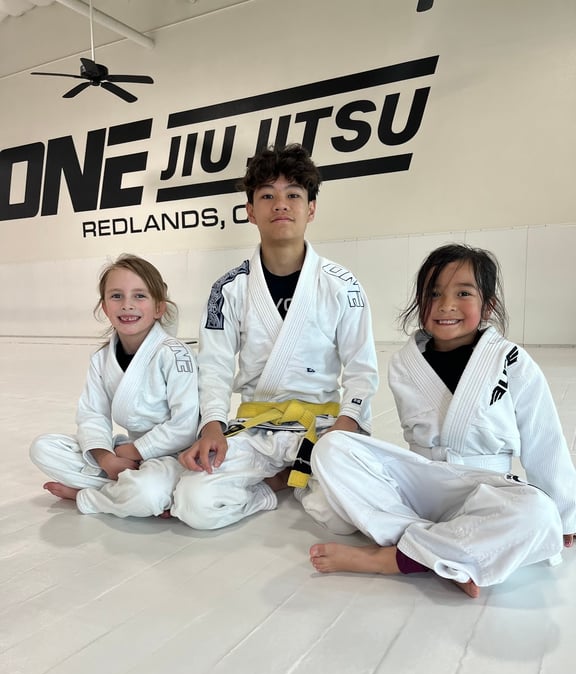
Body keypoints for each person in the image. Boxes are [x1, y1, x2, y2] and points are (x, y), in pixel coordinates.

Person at [309, 243, 575, 597]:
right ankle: (448, 551)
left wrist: (564, 512)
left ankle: (395, 557)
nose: (446, 305)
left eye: (463, 293)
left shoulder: (511, 361)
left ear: (488, 305)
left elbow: (544, 438)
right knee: (331, 448)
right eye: (434, 294)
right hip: (424, 480)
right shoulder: (404, 363)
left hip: (484, 488)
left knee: (538, 513)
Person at [172, 144, 378, 530]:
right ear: (250, 211)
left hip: (320, 427)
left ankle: (295, 477)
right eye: (267, 195)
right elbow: (214, 366)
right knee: (193, 502)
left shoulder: (342, 285)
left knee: (345, 517)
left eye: (293, 195)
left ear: (311, 209)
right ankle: (277, 484)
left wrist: (348, 422)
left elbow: (362, 368)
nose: (280, 204)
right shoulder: (228, 289)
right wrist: (212, 423)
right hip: (257, 429)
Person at [29, 254, 199, 518]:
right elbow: (92, 415)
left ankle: (89, 495)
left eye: (139, 296)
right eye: (116, 296)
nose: (127, 305)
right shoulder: (102, 359)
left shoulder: (175, 354)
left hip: (174, 456)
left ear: (159, 308)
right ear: (105, 308)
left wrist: (136, 450)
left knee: (146, 493)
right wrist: (106, 458)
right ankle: (127, 490)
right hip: (126, 455)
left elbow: (185, 425)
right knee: (43, 448)